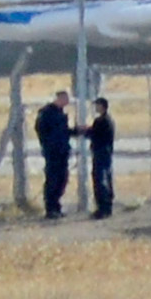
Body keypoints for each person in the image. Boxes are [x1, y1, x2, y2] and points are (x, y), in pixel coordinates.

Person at [35, 90, 78, 219]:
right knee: (52, 179)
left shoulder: (61, 114)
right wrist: (49, 144)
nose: (67, 102)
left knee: (62, 179)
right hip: (52, 152)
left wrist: (77, 131)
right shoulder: (46, 113)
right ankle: (50, 208)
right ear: (58, 99)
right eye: (65, 99)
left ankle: (57, 206)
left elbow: (64, 131)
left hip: (62, 151)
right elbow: (41, 130)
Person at [83, 97, 115, 219]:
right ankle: (106, 206)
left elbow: (94, 134)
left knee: (100, 179)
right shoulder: (108, 120)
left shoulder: (101, 121)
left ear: (102, 106)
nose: (96, 108)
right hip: (106, 152)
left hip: (101, 152)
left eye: (97, 105)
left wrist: (84, 131)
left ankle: (103, 207)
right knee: (106, 177)